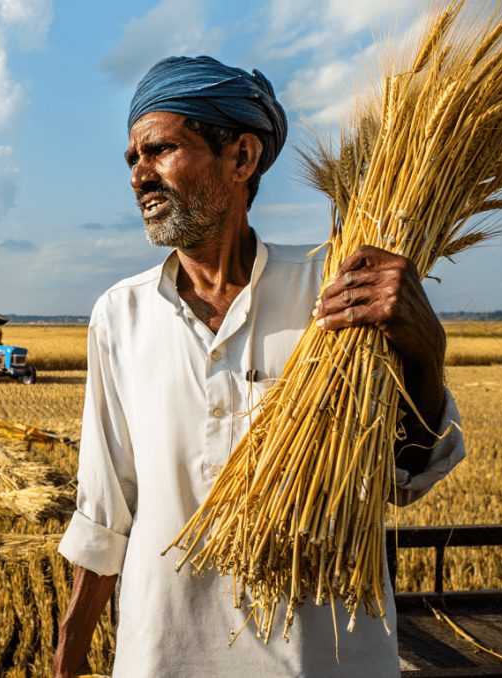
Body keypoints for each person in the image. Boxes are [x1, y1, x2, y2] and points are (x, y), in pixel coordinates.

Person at [54, 56, 466, 677]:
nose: (140, 175)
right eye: (133, 159)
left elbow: (403, 475)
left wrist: (425, 345)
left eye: (160, 150)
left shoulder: (336, 288)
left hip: (324, 658)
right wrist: (69, 652)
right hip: (167, 654)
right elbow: (106, 507)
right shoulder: (121, 315)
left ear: (241, 158)